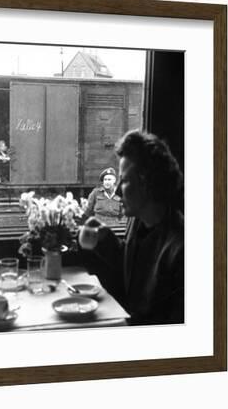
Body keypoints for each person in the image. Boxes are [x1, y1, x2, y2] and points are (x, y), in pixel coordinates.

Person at [79, 130, 184, 326]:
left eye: (125, 180)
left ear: (147, 183)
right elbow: (133, 278)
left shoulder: (180, 250)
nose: (118, 190)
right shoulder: (140, 222)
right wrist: (105, 239)